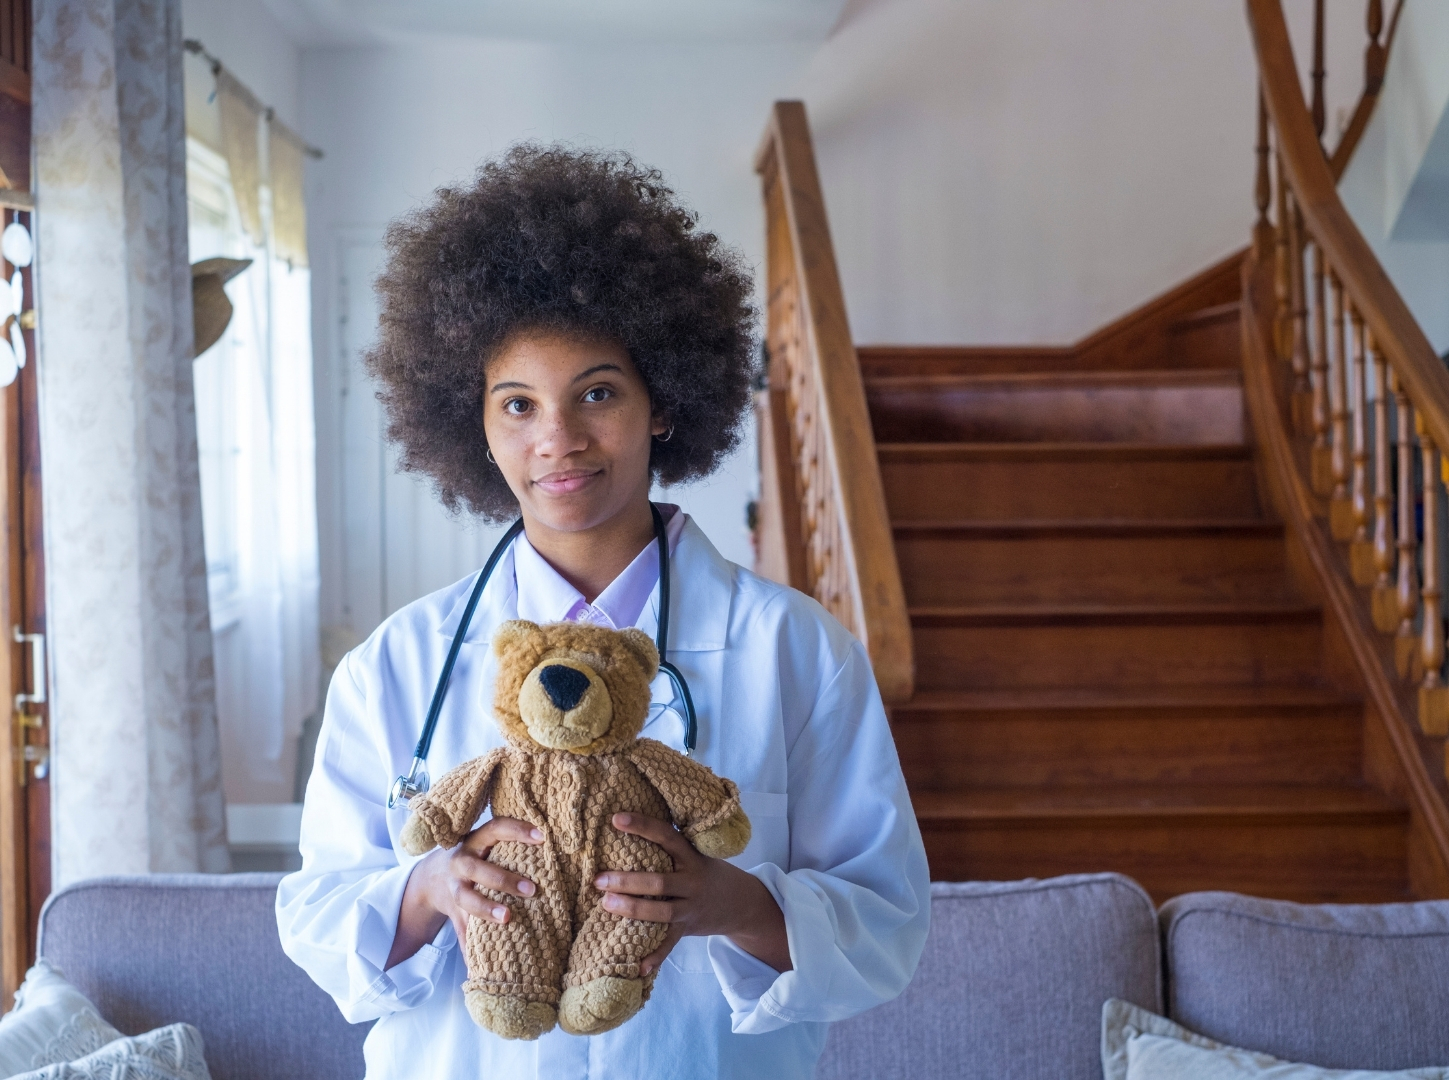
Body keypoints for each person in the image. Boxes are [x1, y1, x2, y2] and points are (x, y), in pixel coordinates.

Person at [276, 145, 930, 1080]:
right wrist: (427, 889)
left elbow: (887, 928)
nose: (558, 440)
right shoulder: (395, 664)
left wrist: (731, 902)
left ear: (661, 402)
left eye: (596, 392)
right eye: (516, 404)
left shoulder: (796, 651)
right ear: (476, 424)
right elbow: (316, 920)